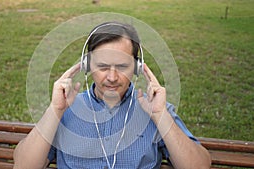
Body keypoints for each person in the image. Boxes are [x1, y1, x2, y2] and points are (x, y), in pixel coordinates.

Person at [13, 22, 211, 169]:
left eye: (123, 66)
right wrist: (55, 110)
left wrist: (160, 115)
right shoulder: (65, 110)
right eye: (103, 66)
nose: (112, 77)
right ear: (87, 65)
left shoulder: (155, 108)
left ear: (137, 67)